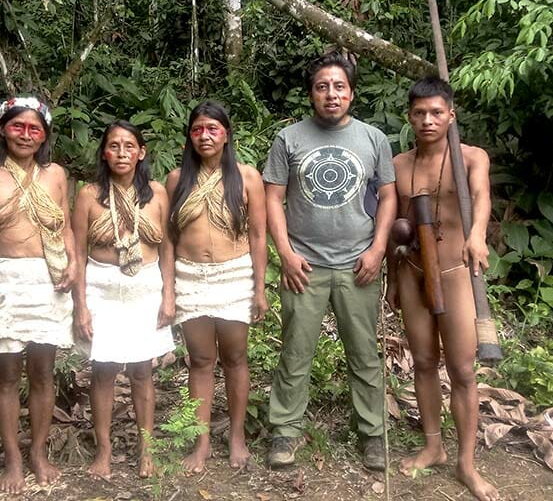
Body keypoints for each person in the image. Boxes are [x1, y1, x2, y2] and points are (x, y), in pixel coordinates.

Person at [263, 50, 397, 471]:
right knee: (296, 351)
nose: (331, 94)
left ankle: (373, 434)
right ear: (311, 94)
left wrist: (377, 249)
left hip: (359, 263)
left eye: (339, 86)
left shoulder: (373, 139)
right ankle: (284, 430)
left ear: (352, 93)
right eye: (322, 87)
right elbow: (273, 197)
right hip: (305, 265)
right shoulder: (289, 139)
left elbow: (389, 196)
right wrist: (285, 253)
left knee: (364, 353)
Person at [386, 76, 499, 501]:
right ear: (410, 117)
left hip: (456, 270)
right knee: (423, 361)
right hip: (414, 270)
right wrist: (395, 280)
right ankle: (433, 445)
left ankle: (467, 462)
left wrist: (478, 234)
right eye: (419, 113)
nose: (427, 120)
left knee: (464, 369)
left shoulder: (471, 157)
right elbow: (397, 226)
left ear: (451, 115)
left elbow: (481, 197)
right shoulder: (399, 164)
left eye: (436, 113)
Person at [0, 96, 76, 494]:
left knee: (43, 373)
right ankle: (12, 459)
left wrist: (73, 264)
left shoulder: (56, 174)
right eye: (17, 126)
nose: (26, 135)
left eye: (34, 129)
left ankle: (39, 454)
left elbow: (65, 228)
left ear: (44, 135)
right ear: (2, 129)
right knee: (6, 376)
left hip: (47, 280)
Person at [165, 101, 268, 472]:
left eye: (212, 128)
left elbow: (258, 235)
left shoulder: (247, 177)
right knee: (201, 361)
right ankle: (202, 441)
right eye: (197, 130)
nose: (204, 136)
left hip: (235, 275)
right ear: (189, 137)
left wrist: (259, 288)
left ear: (226, 134)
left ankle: (237, 436)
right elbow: (169, 240)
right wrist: (169, 290)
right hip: (191, 277)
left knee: (236, 358)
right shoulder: (177, 180)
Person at [72, 120, 175, 480]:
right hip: (102, 288)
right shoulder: (88, 194)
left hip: (145, 288)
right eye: (114, 146)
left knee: (142, 372)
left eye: (129, 146)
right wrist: (80, 305)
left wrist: (169, 295)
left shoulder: (158, 193)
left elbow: (168, 247)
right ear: (104, 152)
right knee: (103, 372)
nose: (121, 153)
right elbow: (77, 251)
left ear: (141, 152)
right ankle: (104, 450)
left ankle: (146, 450)